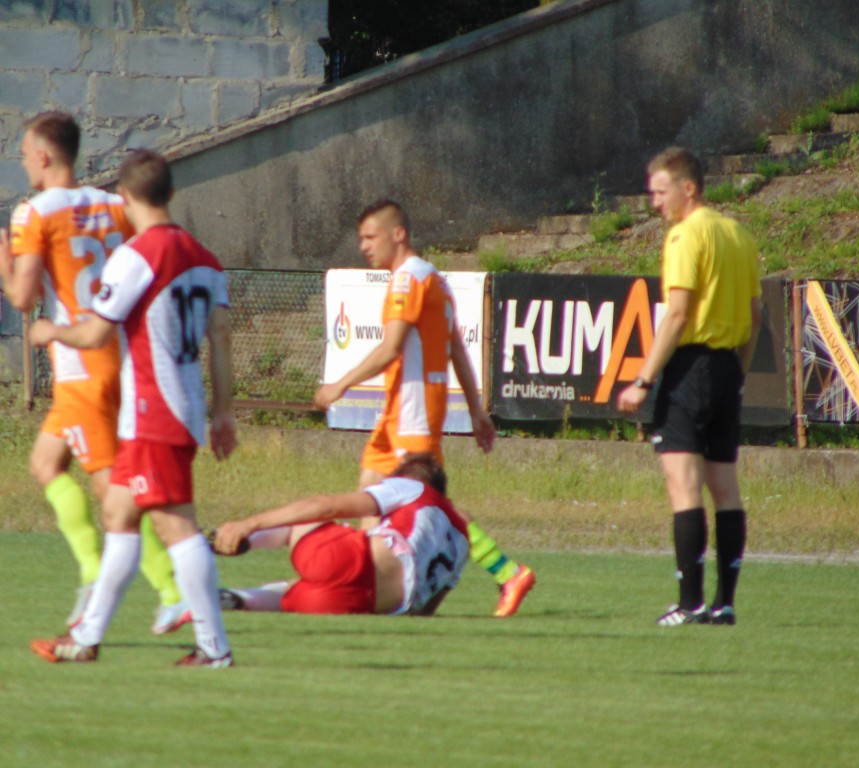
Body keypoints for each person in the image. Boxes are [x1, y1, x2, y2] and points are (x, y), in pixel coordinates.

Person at [28, 148, 237, 666]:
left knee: (175, 525)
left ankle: (214, 648)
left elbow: (97, 330)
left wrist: (52, 329)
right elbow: (222, 336)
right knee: (120, 513)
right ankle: (86, 638)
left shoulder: (138, 256)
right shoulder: (206, 258)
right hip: (184, 406)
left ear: (125, 196)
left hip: (153, 409)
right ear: (169, 192)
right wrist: (224, 413)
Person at [0, 111, 188, 634]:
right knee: (45, 462)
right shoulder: (115, 204)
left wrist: (3, 259)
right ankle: (89, 570)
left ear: (43, 155)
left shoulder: (35, 212)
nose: (23, 163)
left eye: (23, 154)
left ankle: (173, 592)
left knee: (114, 492)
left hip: (81, 364)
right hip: (118, 355)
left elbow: (22, 297)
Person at [312, 200, 535, 617]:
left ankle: (508, 571)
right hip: (397, 413)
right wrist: (477, 411)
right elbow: (458, 352)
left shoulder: (408, 280)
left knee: (431, 504)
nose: (363, 246)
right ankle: (366, 585)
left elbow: (391, 347)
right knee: (368, 497)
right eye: (360, 238)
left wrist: (340, 384)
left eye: (370, 236)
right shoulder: (435, 279)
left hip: (412, 414)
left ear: (399, 234)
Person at [617, 147, 761, 627]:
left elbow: (677, 314)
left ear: (688, 188)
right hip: (726, 370)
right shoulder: (738, 234)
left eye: (660, 192)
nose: (654, 203)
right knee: (726, 489)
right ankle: (725, 603)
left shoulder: (685, 236)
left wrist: (643, 379)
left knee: (684, 488)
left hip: (691, 370)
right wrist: (737, 373)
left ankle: (689, 603)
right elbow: (756, 317)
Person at [212, 453, 469, 617]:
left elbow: (326, 505)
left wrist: (250, 522)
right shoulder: (462, 539)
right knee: (295, 591)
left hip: (349, 561)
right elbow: (424, 611)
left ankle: (232, 540)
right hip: (359, 604)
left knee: (308, 517)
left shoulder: (413, 486)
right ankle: (241, 598)